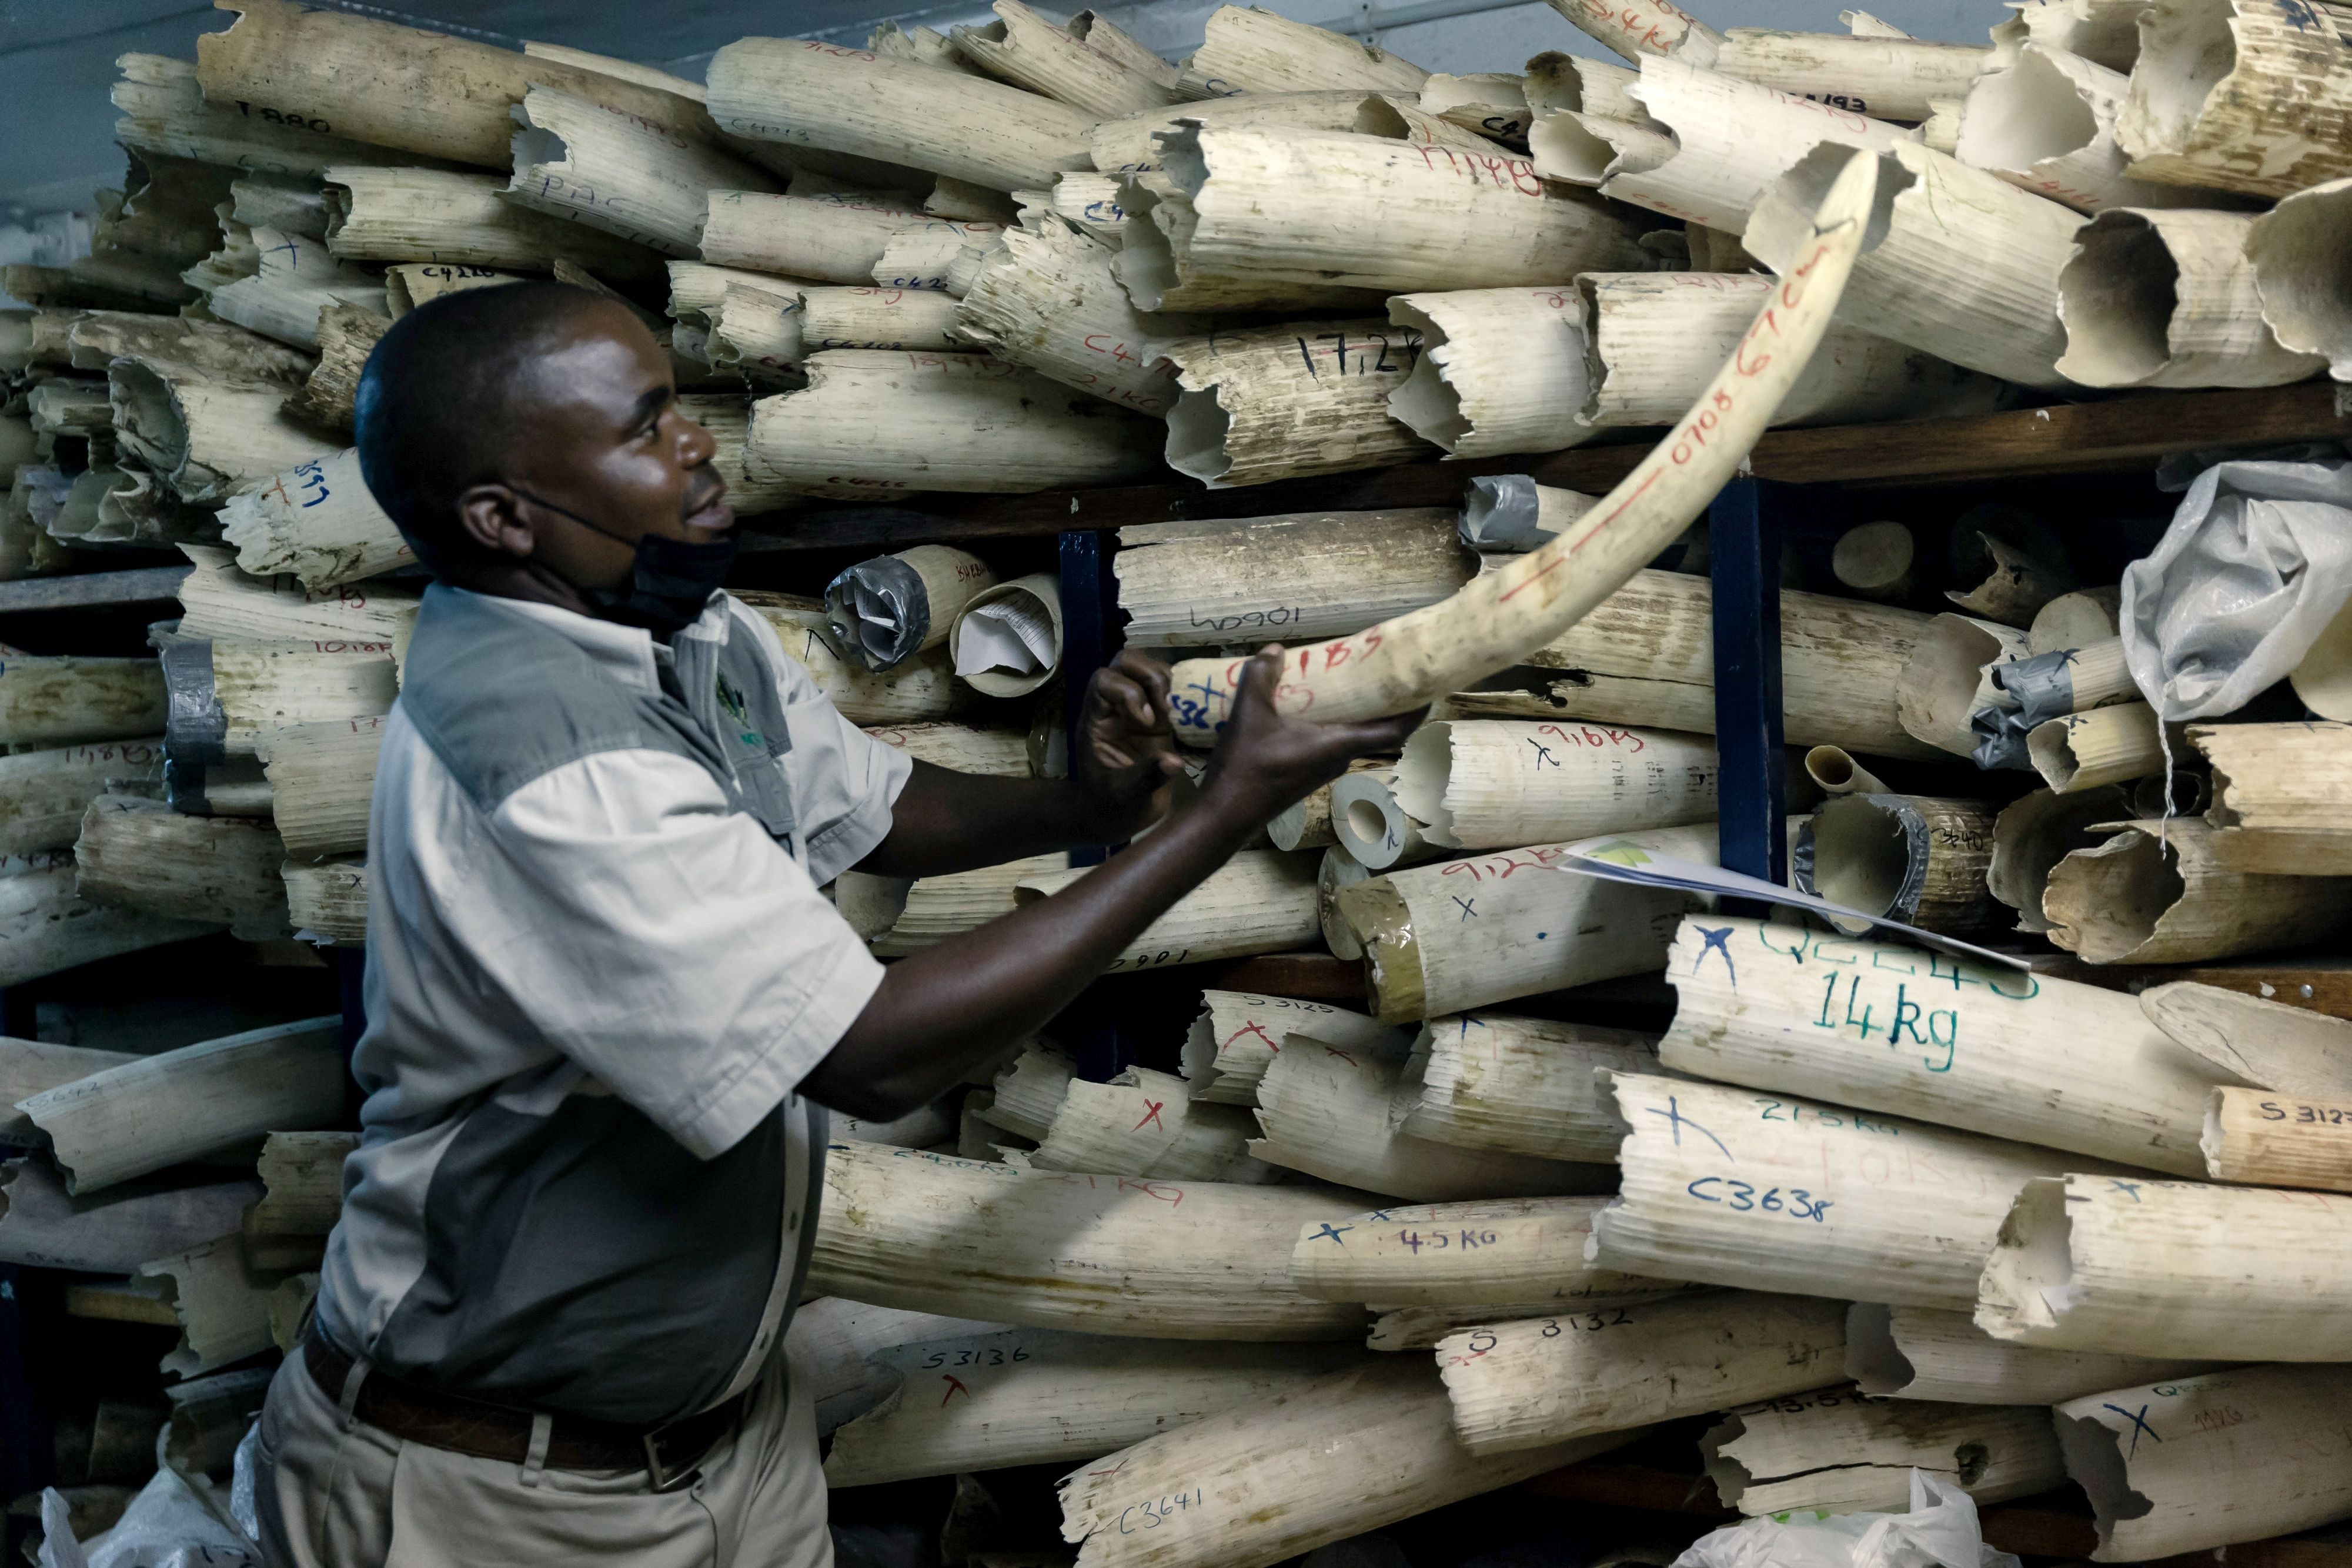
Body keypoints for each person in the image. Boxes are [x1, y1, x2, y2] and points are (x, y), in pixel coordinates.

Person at [249, 279, 1421, 1567]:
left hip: (725, 1435)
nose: (696, 444)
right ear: (502, 516)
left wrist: (1086, 799)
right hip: (507, 1489)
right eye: (642, 429)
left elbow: (872, 802)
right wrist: (1211, 819)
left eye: (681, 409)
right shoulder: (548, 754)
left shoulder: (676, 627)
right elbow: (874, 1058)